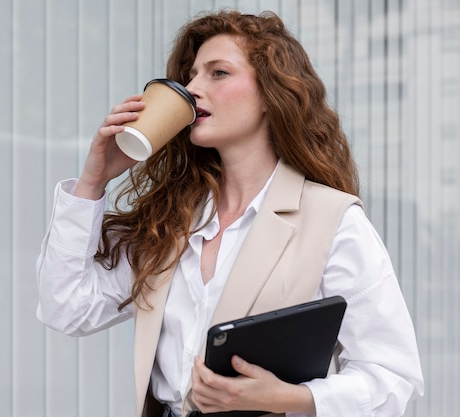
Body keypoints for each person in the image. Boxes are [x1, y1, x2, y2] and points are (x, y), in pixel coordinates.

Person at [36, 10, 424, 417]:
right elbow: (66, 308)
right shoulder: (169, 222)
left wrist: (289, 399)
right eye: (191, 74)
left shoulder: (332, 220)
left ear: (271, 94)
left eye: (217, 73)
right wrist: (92, 181)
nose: (191, 88)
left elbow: (393, 375)